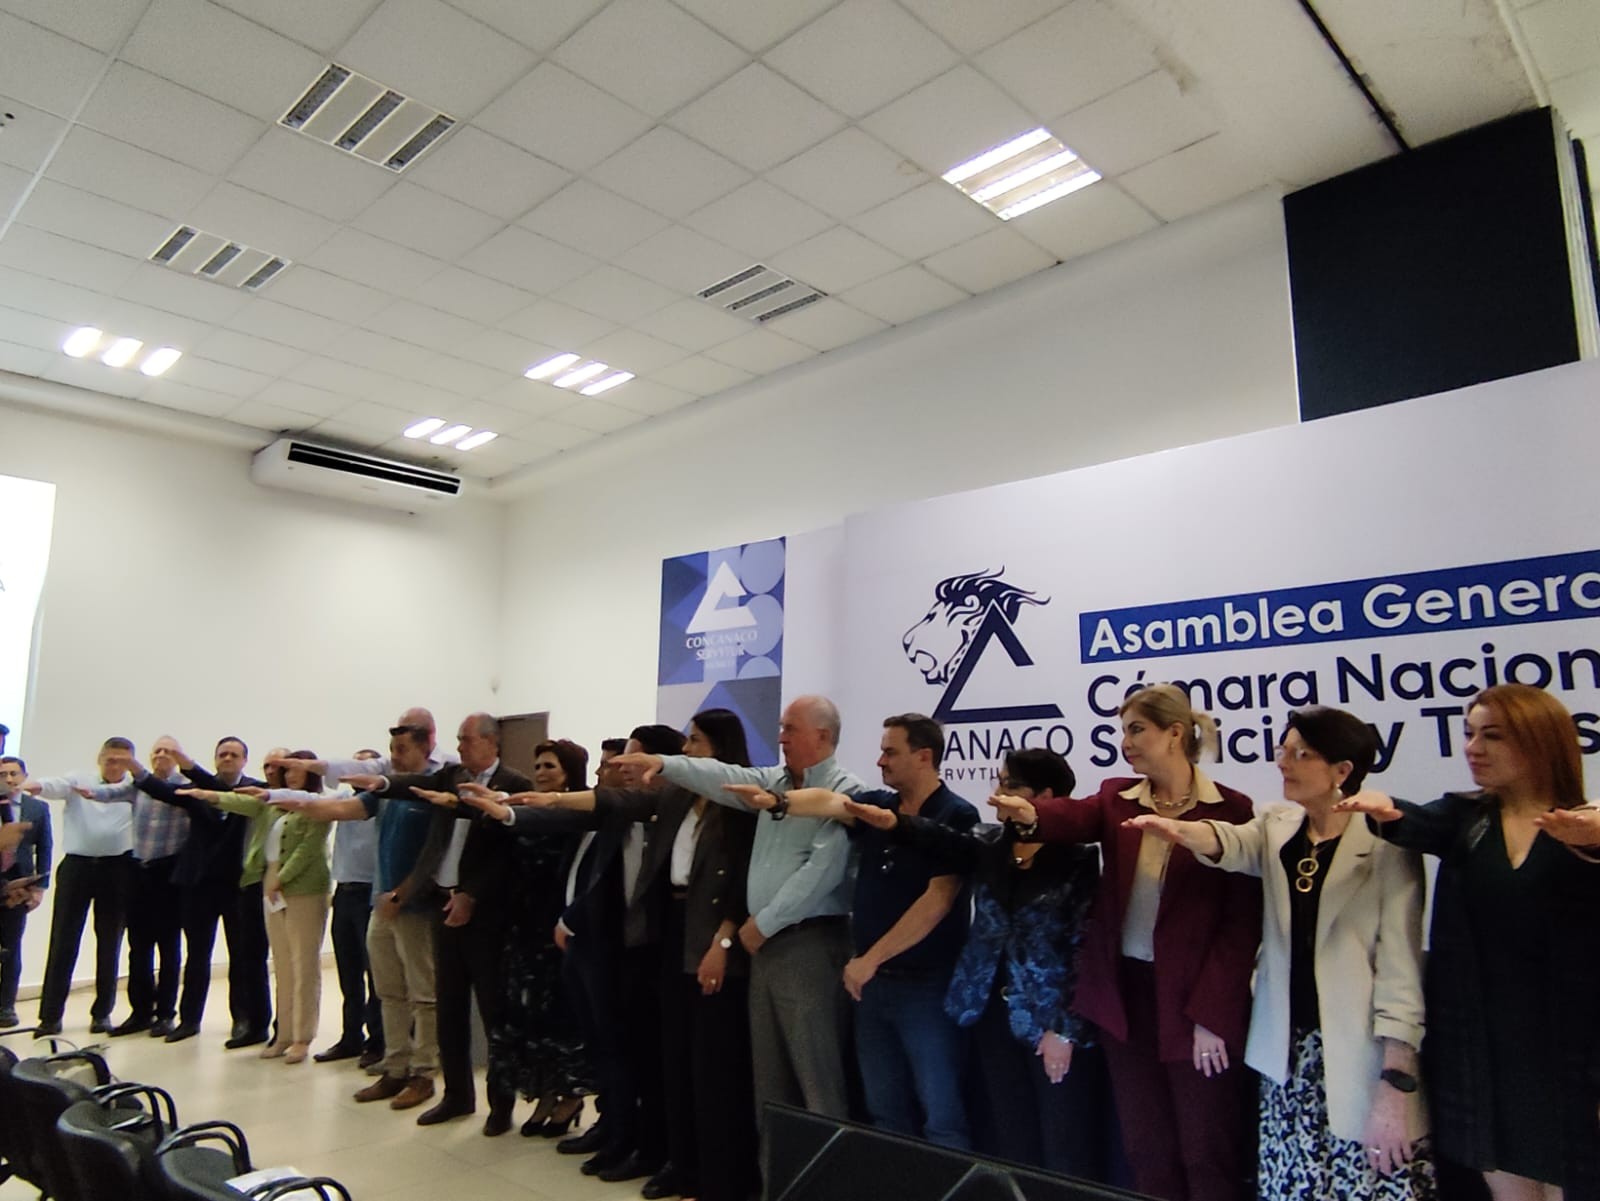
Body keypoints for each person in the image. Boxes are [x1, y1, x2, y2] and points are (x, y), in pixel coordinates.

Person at [1129, 707, 1435, 1200]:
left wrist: (1396, 1083)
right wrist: (1184, 831)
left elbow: (1402, 970)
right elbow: (1232, 842)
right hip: (1288, 1057)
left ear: (1342, 771)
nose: (1284, 763)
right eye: (1282, 750)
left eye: (1301, 754)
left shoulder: (1386, 841)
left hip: (1359, 1056)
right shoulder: (1277, 824)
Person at [477, 709, 761, 1201]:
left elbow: (739, 880)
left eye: (696, 742)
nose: (687, 750)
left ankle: (716, 1174)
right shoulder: (675, 797)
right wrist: (534, 803)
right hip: (670, 930)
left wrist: (724, 940)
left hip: (713, 937)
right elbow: (611, 803)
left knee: (710, 1064)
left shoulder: (740, 800)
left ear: (720, 747)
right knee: (673, 1059)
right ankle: (679, 1162)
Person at [992, 684, 1260, 1201]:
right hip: (1126, 998)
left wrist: (1212, 1015)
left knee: (1207, 1152)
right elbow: (1075, 816)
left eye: (1136, 729)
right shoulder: (1118, 797)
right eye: (1123, 731)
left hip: (1194, 1002)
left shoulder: (1231, 810)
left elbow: (1240, 926)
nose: (1125, 742)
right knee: (1146, 1150)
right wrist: (1029, 814)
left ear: (1175, 733)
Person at [1335, 684, 1600, 1201]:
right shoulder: (1466, 818)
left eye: (1492, 736)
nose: (1473, 748)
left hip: (1570, 1048)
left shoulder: (1585, 826)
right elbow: (1413, 821)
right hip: (1483, 1047)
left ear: (1541, 742)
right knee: (1507, 1185)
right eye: (1469, 734)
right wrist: (1383, 807)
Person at [842, 747, 1116, 1178]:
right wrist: (897, 823)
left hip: (1049, 1020)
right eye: (998, 781)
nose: (998, 794)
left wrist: (1064, 1028)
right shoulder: (990, 843)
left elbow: (1084, 946)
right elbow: (944, 839)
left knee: (1064, 1143)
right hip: (989, 1011)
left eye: (1010, 785)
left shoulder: (1079, 858)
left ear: (1044, 795)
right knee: (1009, 1136)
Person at [612, 695, 862, 1135]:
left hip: (806, 943)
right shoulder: (771, 782)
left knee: (816, 1082)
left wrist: (760, 925)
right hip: (762, 947)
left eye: (790, 729)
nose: (780, 737)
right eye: (781, 728)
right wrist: (667, 765)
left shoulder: (847, 791)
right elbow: (720, 774)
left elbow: (822, 873)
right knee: (768, 1085)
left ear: (822, 736)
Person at [729, 713, 979, 1150]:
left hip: (924, 988)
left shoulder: (955, 814)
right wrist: (778, 803)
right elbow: (830, 802)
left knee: (941, 1115)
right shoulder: (878, 804)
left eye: (890, 752)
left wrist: (871, 959)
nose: (880, 761)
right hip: (871, 987)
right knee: (884, 1111)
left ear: (924, 756)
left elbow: (937, 901)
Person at [343, 713, 532, 1132]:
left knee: (492, 1011)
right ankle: (457, 1096)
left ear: (490, 742)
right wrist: (381, 784)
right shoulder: (451, 776)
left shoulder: (516, 786)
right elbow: (417, 785)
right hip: (443, 906)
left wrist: (472, 895)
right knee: (448, 1009)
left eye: (466, 740)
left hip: (485, 915)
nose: (460, 746)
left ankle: (500, 1105)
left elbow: (507, 856)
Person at [274, 726, 443, 1113]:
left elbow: (434, 852)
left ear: (425, 749)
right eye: (392, 749)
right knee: (388, 990)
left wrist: (404, 893)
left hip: (413, 907)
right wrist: (280, 797)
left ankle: (423, 1073)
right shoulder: (382, 793)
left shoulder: (430, 790)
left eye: (402, 749)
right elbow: (338, 808)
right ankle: (395, 1067)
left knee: (423, 994)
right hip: (378, 904)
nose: (395, 756)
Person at [181, 750, 333, 1064]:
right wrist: (208, 795)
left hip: (304, 887)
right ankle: (285, 1034)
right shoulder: (276, 804)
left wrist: (282, 879)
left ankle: (303, 1038)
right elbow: (243, 803)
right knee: (283, 964)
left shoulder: (317, 805)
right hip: (271, 883)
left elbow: (309, 849)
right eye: (284, 770)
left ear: (310, 773)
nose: (287, 775)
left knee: (304, 965)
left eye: (294, 770)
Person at [128, 736, 266, 1045]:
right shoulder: (195, 791)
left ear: (245, 760)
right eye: (222, 754)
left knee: (240, 955)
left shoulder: (253, 790)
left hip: (236, 885)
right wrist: (135, 768)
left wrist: (187, 763)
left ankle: (242, 1019)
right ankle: (189, 1019)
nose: (227, 759)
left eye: (234, 755)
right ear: (216, 759)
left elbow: (226, 796)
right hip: (198, 883)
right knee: (197, 954)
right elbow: (163, 791)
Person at [483, 739, 586, 1139]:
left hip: (557, 929)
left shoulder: (574, 812)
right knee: (525, 1019)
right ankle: (543, 1092)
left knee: (560, 1018)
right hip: (521, 926)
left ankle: (569, 1094)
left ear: (568, 774)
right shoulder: (523, 808)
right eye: (538, 766)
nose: (541, 773)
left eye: (550, 767)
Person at [25, 737, 139, 1037]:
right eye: (110, 759)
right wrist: (29, 786)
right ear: (100, 757)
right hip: (77, 866)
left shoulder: (135, 789)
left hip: (117, 869)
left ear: (130, 762)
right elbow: (53, 786)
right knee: (63, 939)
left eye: (121, 760)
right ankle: (50, 1016)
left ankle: (102, 1013)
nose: (114, 765)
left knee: (110, 941)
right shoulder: (79, 780)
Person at [116, 738, 190, 1037]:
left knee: (169, 946)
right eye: (156, 751)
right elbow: (111, 792)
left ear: (176, 757)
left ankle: (165, 1014)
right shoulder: (137, 786)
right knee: (138, 946)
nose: (161, 756)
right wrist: (85, 791)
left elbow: (169, 795)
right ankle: (141, 1011)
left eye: (167, 751)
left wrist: (137, 771)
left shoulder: (184, 786)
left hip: (169, 873)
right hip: (140, 871)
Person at [316, 748, 385, 1066]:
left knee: (377, 975)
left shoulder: (381, 800)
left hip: (370, 892)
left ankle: (378, 1041)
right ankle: (350, 1037)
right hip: (344, 891)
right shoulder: (344, 798)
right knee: (348, 972)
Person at [0, 756, 50, 1028]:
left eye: (14, 774)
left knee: (12, 946)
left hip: (19, 886)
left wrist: (40, 887)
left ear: (24, 776)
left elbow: (45, 847)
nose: (9, 779)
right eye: (3, 774)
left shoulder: (37, 808)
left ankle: (6, 1006)